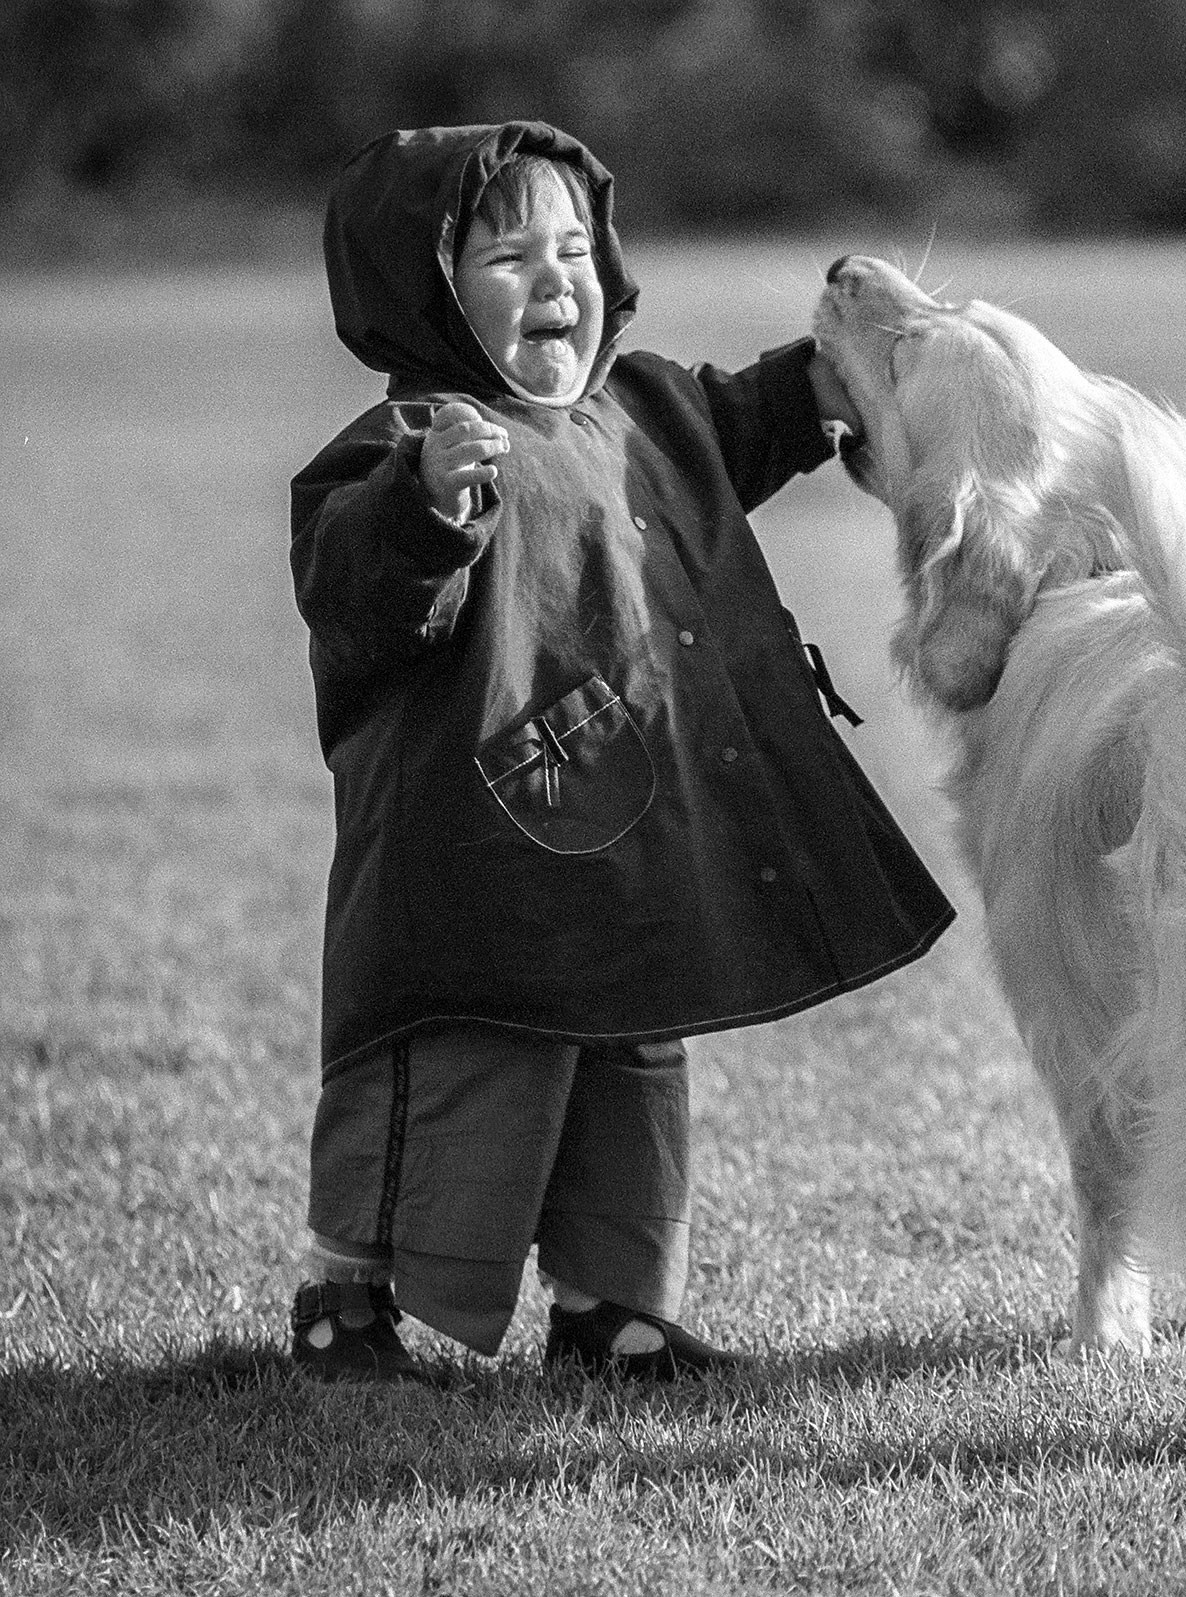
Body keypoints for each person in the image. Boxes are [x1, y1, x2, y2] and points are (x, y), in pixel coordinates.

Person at [287, 121, 953, 1383]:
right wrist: (427, 500)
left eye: (575, 246)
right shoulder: (406, 448)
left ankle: (608, 1302)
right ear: (418, 290)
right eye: (505, 255)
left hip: (629, 829)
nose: (556, 280)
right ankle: (344, 1292)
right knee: (446, 1058)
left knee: (631, 1062)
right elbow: (360, 592)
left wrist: (831, 376)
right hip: (472, 851)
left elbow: (744, 424)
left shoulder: (644, 410)